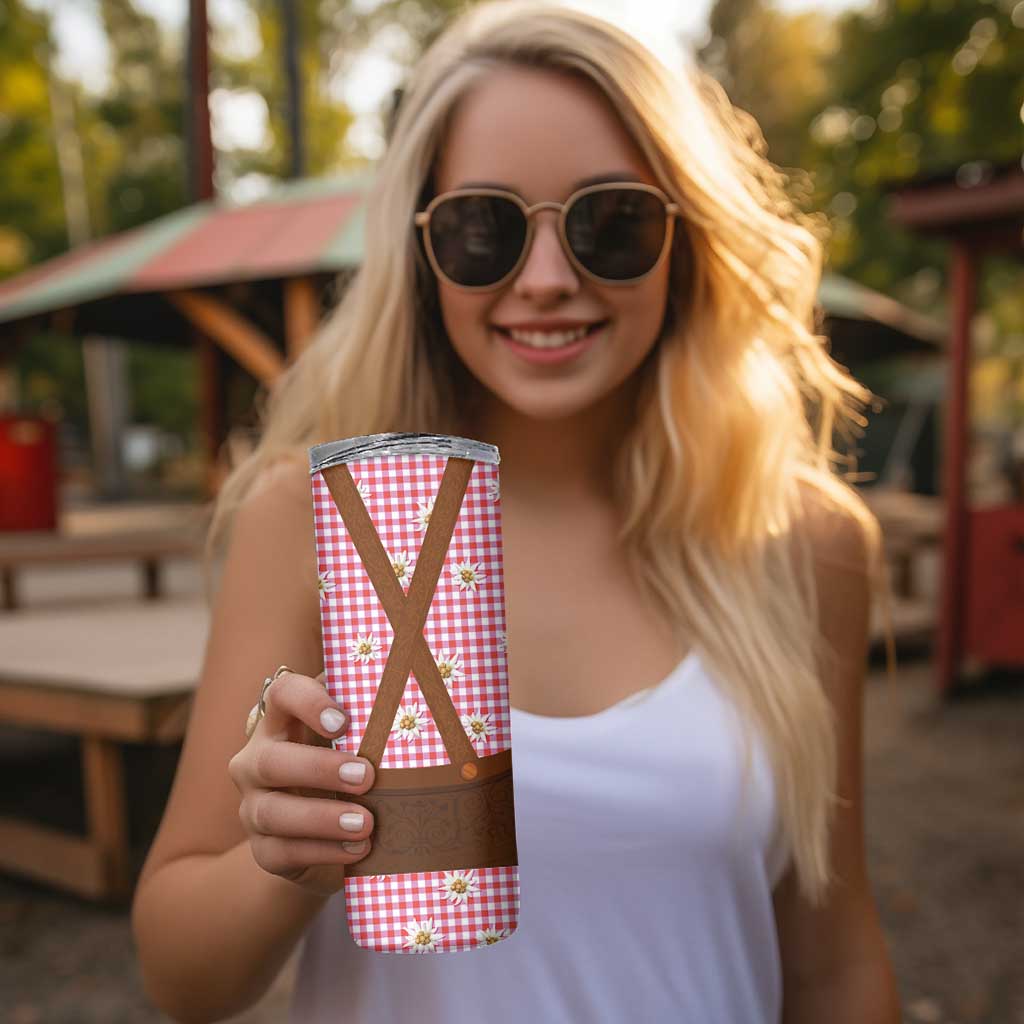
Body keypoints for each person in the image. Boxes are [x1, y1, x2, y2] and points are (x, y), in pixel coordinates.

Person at [132, 2, 902, 1021]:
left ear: (687, 241)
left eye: (612, 223)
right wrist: (284, 858)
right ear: (420, 249)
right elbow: (180, 976)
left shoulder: (804, 542)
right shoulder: (317, 520)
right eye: (483, 228)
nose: (546, 281)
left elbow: (833, 962)